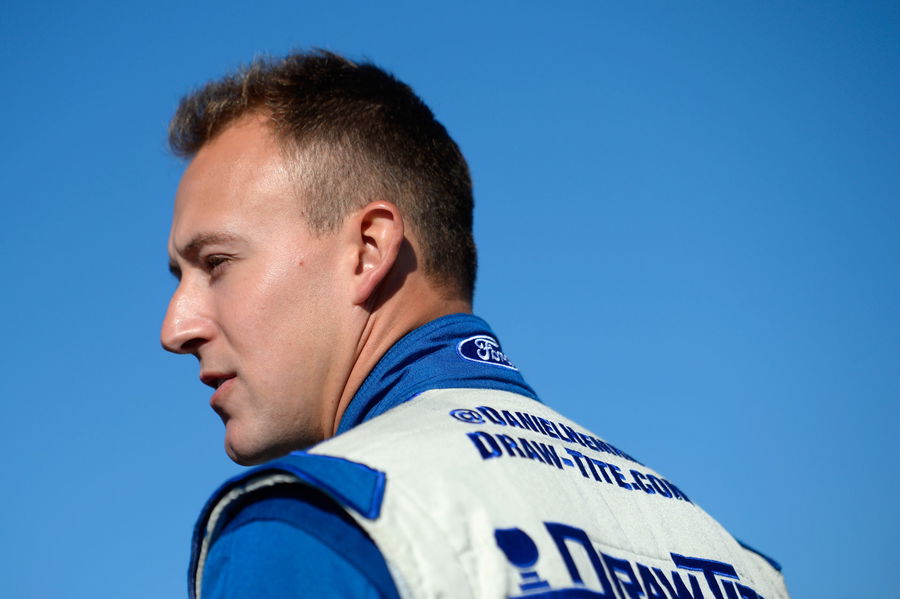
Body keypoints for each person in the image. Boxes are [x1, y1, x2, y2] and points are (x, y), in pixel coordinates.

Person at [161, 51, 791, 599]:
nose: (175, 328)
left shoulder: (309, 527)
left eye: (216, 263)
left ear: (368, 251)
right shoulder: (738, 563)